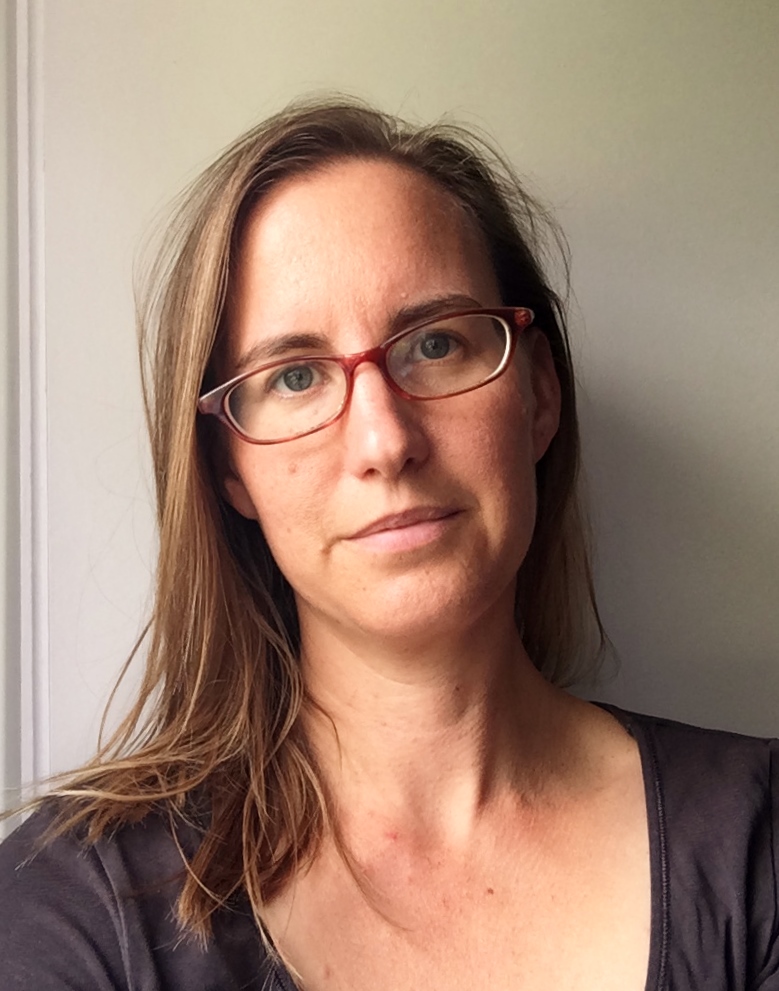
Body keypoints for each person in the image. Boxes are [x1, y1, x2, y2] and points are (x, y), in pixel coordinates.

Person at [0, 98, 776, 991]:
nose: (384, 442)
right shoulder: (73, 911)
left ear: (537, 396)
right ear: (227, 469)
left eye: (435, 344)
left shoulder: (755, 846)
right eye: (294, 376)